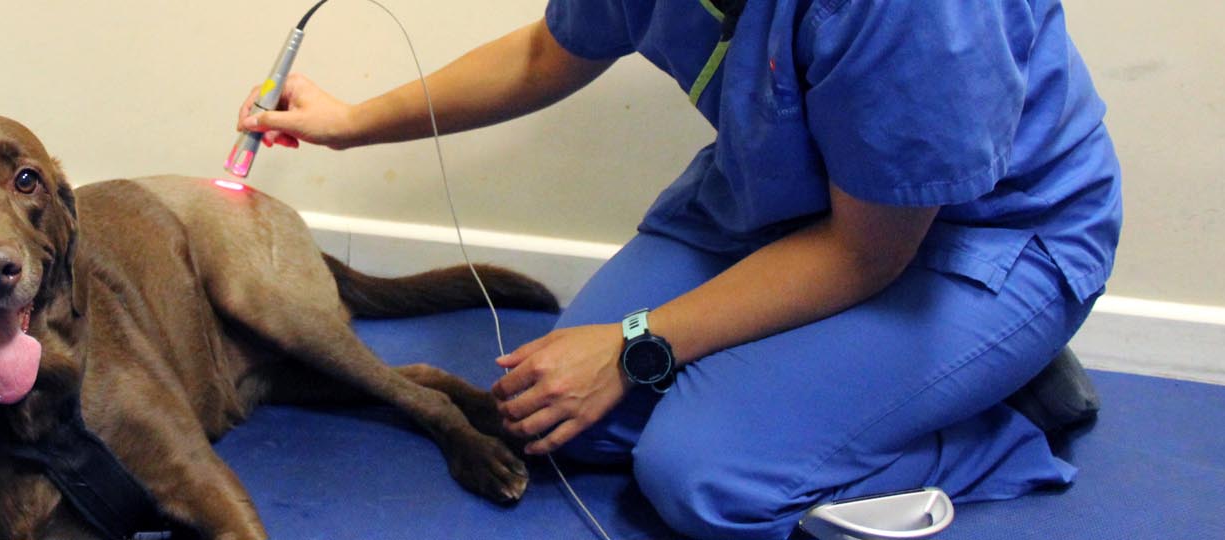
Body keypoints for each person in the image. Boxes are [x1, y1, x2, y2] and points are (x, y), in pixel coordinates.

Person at [236, 0, 1121, 538]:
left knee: (706, 479)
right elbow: (550, 51)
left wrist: (634, 345)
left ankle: (995, 405)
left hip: (977, 240)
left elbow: (865, 252)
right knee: (556, 420)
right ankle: (859, 384)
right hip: (786, 204)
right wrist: (355, 123)